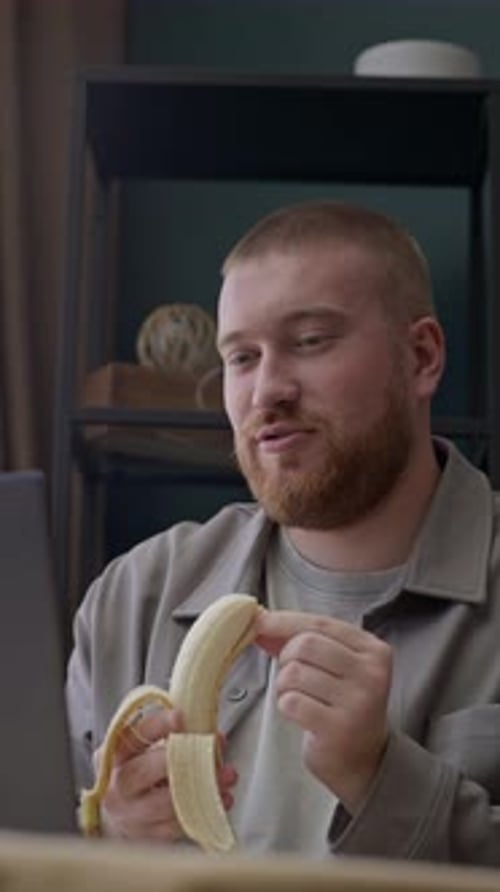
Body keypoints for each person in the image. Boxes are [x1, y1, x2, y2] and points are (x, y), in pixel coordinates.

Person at [66, 199, 500, 863]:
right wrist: (110, 839)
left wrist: (386, 780)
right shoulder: (130, 598)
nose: (267, 390)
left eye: (309, 342)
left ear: (421, 359)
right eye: (241, 357)